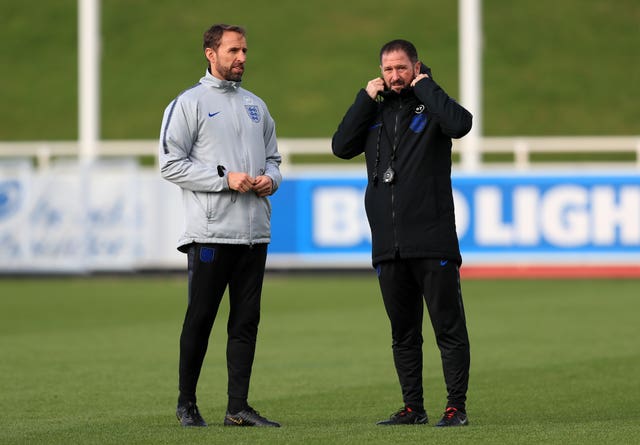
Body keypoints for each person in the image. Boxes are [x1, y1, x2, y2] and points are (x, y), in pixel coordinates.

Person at [332, 39, 472, 427]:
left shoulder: (432, 109)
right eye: (388, 70)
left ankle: (455, 407)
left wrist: (426, 86)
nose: (395, 76)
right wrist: (364, 99)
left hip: (432, 239)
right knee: (403, 334)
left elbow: (461, 124)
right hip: (388, 246)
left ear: (416, 67)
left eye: (402, 69)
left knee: (448, 329)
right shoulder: (374, 114)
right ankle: (413, 408)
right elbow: (341, 146)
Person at [159, 24, 282, 428]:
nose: (242, 57)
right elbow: (170, 163)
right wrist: (224, 177)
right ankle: (186, 403)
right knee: (201, 318)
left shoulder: (256, 106)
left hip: (253, 235)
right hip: (210, 234)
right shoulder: (189, 103)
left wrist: (270, 180)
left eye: (244, 50)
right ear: (211, 54)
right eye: (233, 50)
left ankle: (238, 408)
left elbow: (274, 160)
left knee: (246, 322)